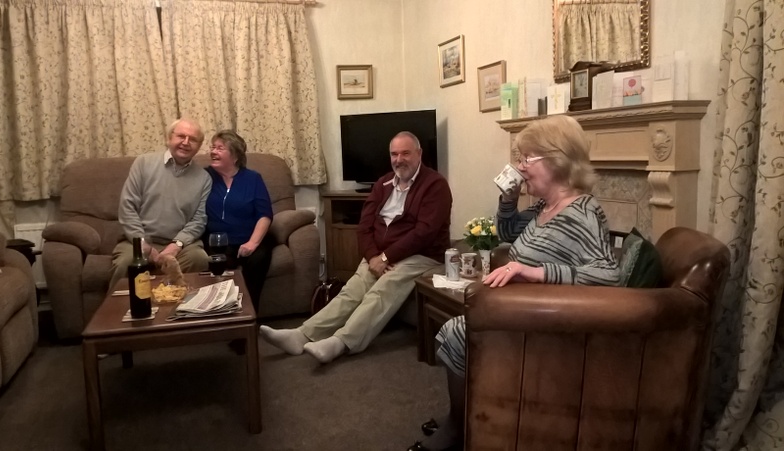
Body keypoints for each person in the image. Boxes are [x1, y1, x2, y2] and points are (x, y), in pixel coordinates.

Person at [409, 115, 620, 451]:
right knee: (461, 327)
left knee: (459, 331)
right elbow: (507, 232)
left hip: (549, 329)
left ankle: (458, 429)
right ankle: (469, 416)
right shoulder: (545, 207)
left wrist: (536, 272)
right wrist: (508, 199)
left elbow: (609, 275)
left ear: (557, 160)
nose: (520, 167)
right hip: (522, 315)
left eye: (527, 159)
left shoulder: (582, 213)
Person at [260, 131, 453, 364]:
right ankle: (302, 335)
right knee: (352, 289)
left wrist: (386, 257)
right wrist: (373, 257)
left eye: (405, 153)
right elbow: (364, 227)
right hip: (380, 254)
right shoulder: (383, 184)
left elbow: (424, 233)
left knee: (384, 288)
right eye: (394, 154)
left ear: (419, 154)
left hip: (421, 255)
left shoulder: (435, 185)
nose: (399, 159)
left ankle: (342, 342)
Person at [109, 118, 212, 291]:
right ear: (169, 138)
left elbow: (199, 220)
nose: (186, 142)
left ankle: (184, 305)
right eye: (181, 136)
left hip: (181, 245)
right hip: (138, 241)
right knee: (125, 263)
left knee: (199, 259)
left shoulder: (204, 178)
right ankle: (119, 308)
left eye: (193, 139)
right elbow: (128, 208)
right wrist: (144, 246)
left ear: (199, 146)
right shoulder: (143, 163)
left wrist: (176, 245)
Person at [203, 130, 275, 313]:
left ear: (235, 156)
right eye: (212, 147)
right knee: (219, 263)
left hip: (249, 237)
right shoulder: (204, 177)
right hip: (217, 240)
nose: (213, 152)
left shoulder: (253, 178)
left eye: (220, 148)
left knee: (259, 258)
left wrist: (252, 243)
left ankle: (249, 315)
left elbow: (264, 214)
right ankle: (224, 317)